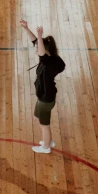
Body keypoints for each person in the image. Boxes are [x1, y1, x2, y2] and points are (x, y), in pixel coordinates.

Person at [19, 20, 66, 154]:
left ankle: (46, 147)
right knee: (41, 119)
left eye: (38, 48)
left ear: (44, 50)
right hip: (47, 97)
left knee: (44, 125)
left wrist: (40, 37)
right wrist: (27, 29)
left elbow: (39, 48)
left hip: (45, 99)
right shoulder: (53, 58)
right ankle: (48, 140)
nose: (35, 49)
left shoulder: (47, 63)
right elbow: (36, 43)